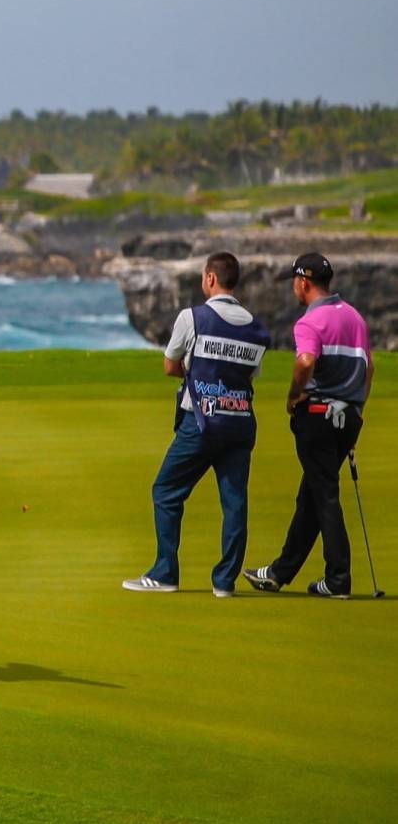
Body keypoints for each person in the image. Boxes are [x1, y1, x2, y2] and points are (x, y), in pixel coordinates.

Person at [122, 252, 268, 597]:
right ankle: (224, 582)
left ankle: (165, 573)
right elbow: (249, 374)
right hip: (241, 420)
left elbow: (170, 366)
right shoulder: (257, 329)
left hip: (201, 421)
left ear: (211, 279)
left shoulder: (193, 317)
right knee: (234, 503)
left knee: (166, 491)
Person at [245, 253, 374, 598]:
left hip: (317, 417)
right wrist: (358, 408)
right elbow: (369, 367)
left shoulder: (309, 322)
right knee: (313, 495)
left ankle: (338, 579)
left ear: (303, 282)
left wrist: (293, 395)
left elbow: (305, 360)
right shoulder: (354, 317)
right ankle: (279, 572)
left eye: (294, 282)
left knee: (325, 495)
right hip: (348, 418)